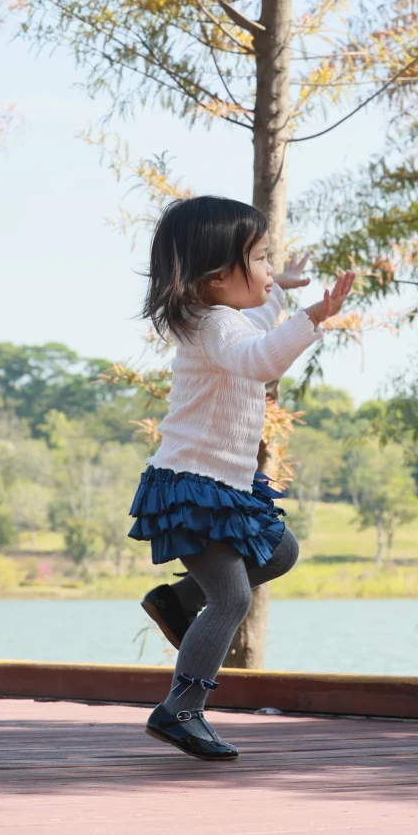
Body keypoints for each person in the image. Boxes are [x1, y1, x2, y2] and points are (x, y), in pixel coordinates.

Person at [129, 194, 355, 762]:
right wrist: (313, 317)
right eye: (259, 259)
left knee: (278, 551)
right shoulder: (211, 326)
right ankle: (180, 710)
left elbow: (255, 319)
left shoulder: (220, 316)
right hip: (191, 486)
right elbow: (259, 358)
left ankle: (178, 603)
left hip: (221, 485)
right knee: (230, 600)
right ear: (214, 274)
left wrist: (282, 285)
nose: (268, 269)